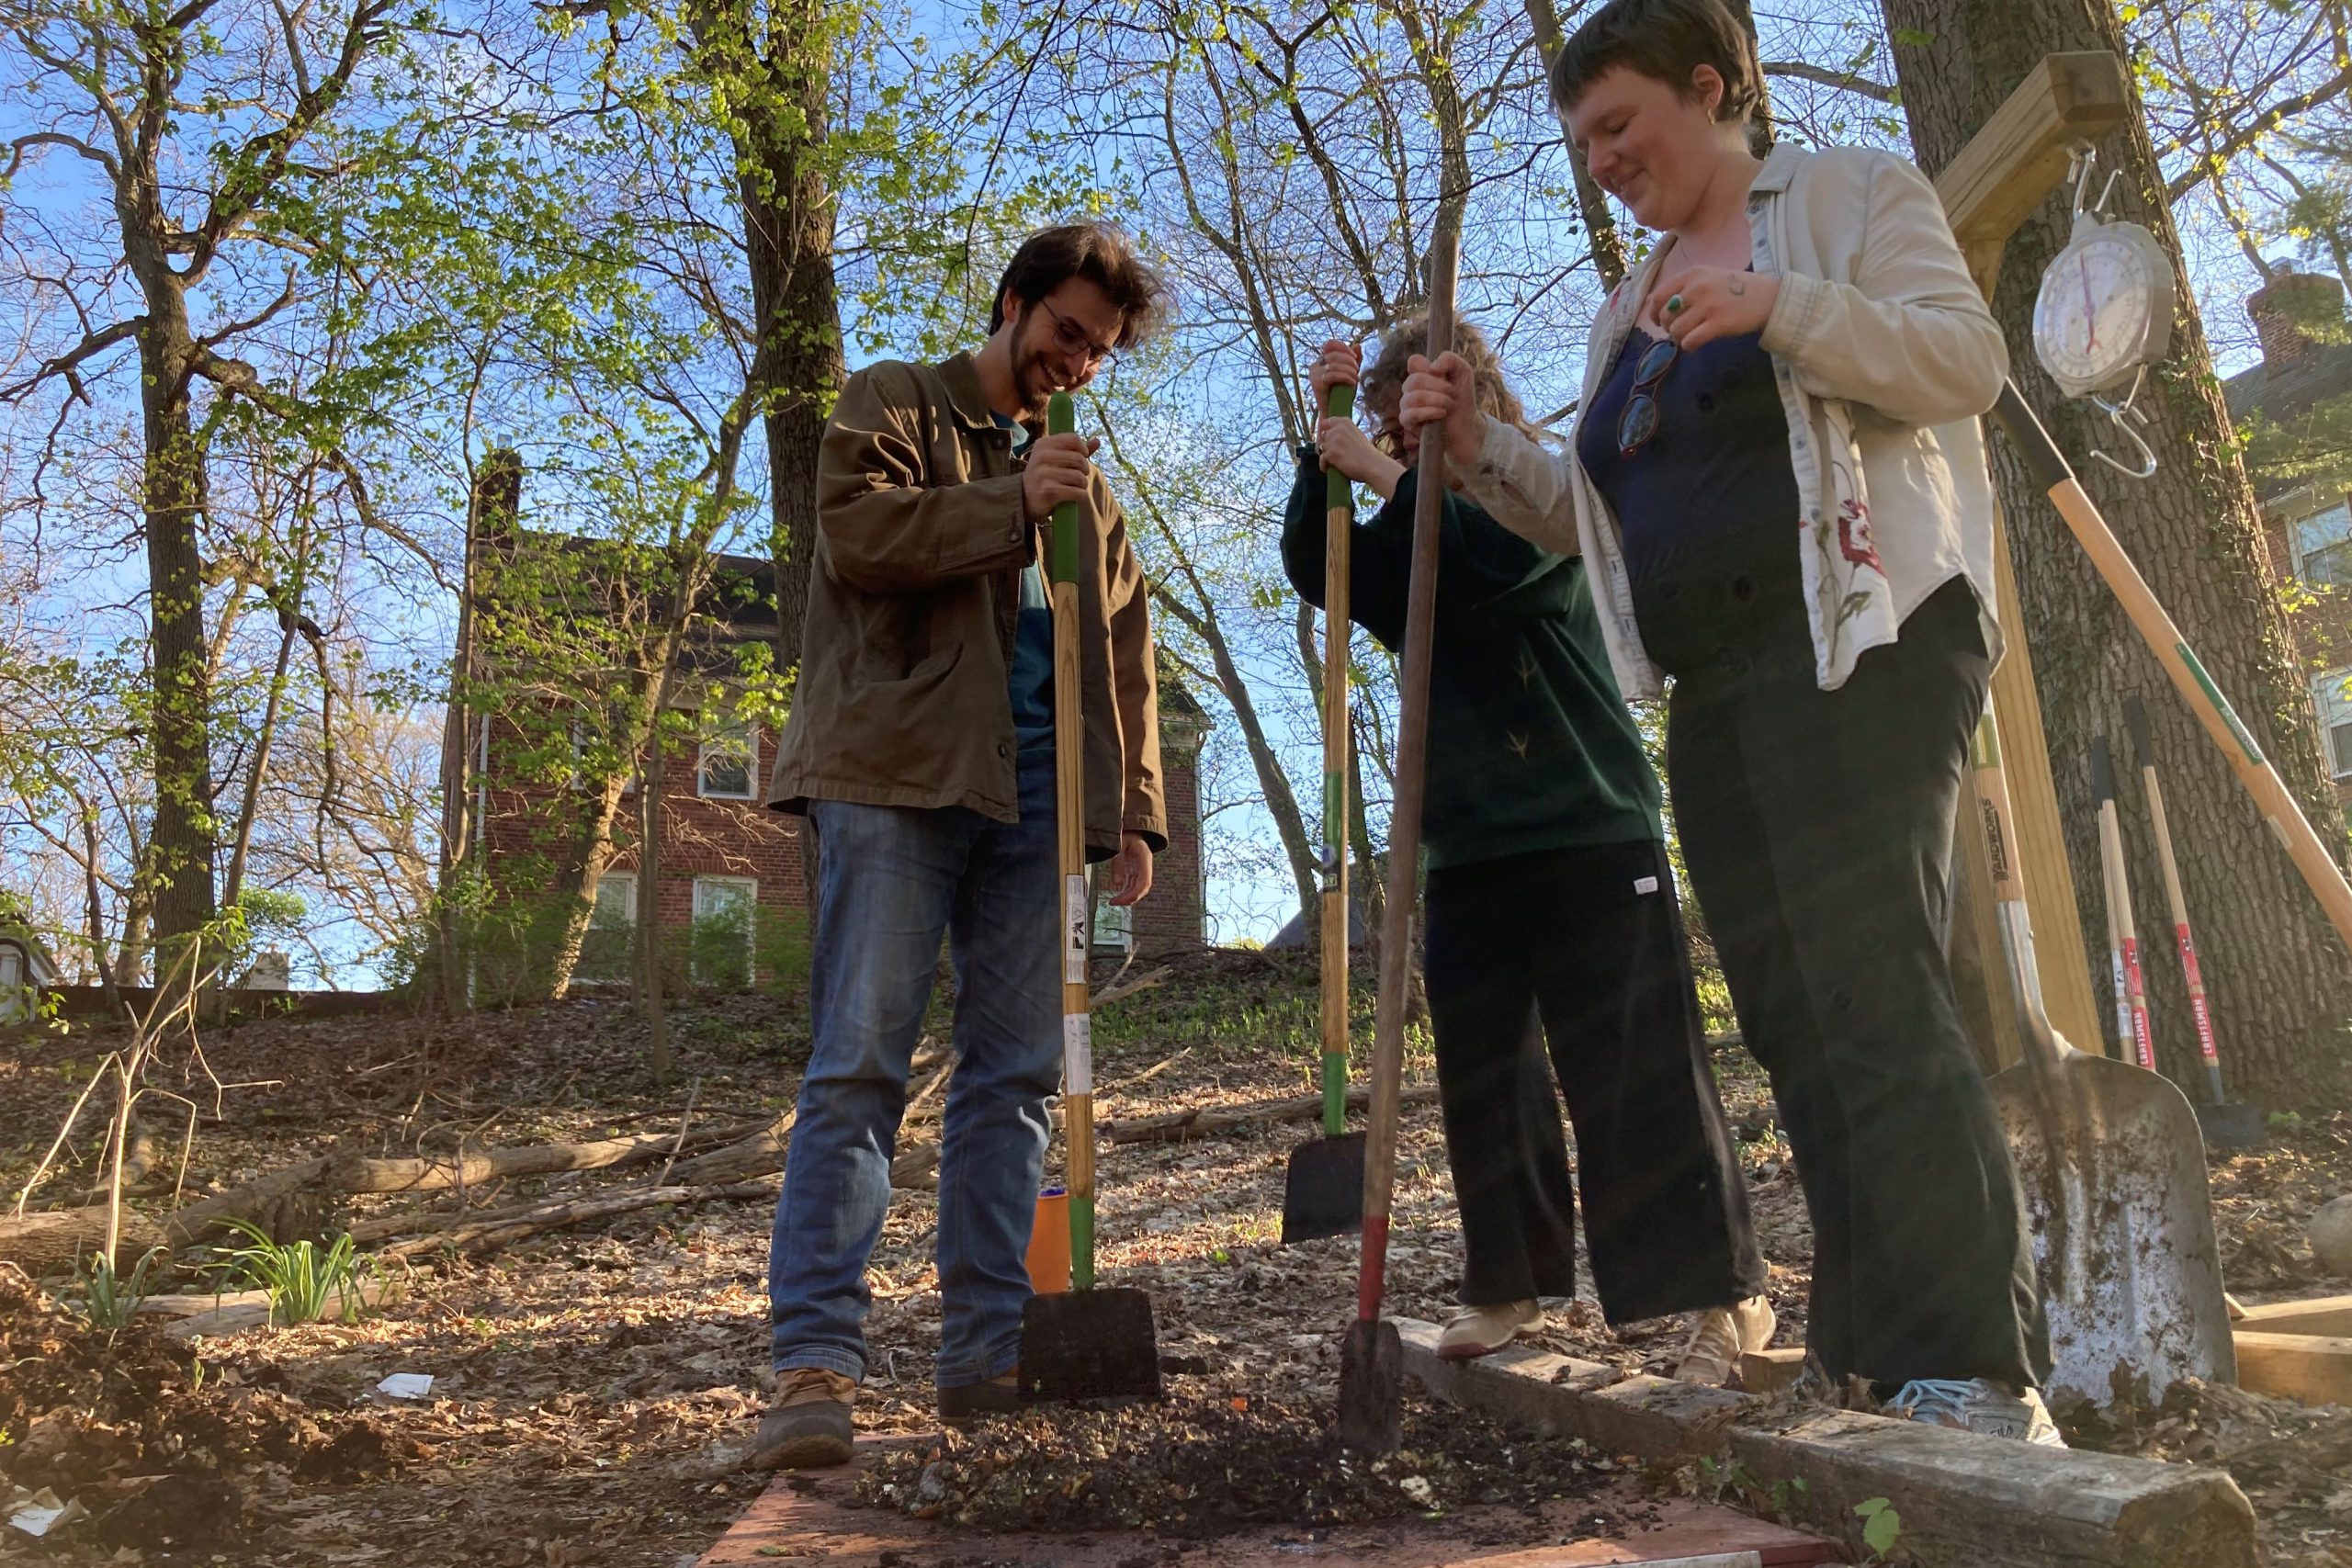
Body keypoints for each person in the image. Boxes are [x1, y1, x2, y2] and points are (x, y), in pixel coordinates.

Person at [1400, 0, 2059, 1444]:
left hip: (1865, 642)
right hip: (1717, 684)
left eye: (1619, 124)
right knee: (1785, 1013)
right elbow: (1595, 516)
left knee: (1872, 980)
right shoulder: (1620, 310)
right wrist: (1473, 451)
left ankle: (1979, 1365)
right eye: (1581, 143)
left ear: (1712, 87)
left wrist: (1784, 309)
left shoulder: (1841, 198)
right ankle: (1872, 1353)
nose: (1601, 160)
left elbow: (1967, 362)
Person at [754, 222, 1172, 1469]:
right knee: (861, 1063)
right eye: (1065, 333)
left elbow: (1131, 652)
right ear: (1013, 305)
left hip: (1040, 805)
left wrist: (1133, 813)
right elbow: (859, 541)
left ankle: (987, 1349)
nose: (1077, 362)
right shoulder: (895, 399)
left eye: (1098, 350)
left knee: (1018, 1076)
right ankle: (814, 1366)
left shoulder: (1087, 487)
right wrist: (1006, 504)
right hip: (892, 776)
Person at [1287, 320, 1770, 1381]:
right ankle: (1508, 1280)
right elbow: (1330, 571)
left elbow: (1486, 565)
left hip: (1587, 825)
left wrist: (1381, 470)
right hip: (1465, 842)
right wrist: (1319, 437)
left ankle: (1712, 1300)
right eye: (1389, 421)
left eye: (1415, 420)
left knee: (1635, 1071)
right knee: (1485, 1077)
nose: (1399, 442)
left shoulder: (1546, 504)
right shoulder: (1413, 524)